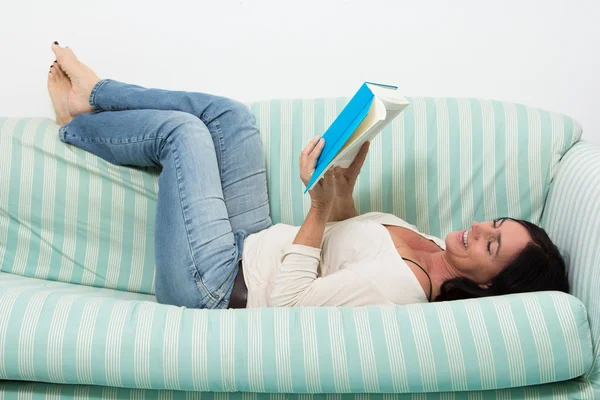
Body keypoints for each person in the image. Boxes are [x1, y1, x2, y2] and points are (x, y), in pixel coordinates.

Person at [47, 42, 569, 309]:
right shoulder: (432, 245)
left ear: (487, 285)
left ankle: (78, 117)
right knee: (231, 117)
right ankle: (94, 95)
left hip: (217, 286)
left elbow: (290, 306)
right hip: (251, 245)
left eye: (492, 246)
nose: (480, 229)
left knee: (183, 133)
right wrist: (342, 190)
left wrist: (318, 209)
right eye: (496, 224)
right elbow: (345, 241)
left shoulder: (402, 289)